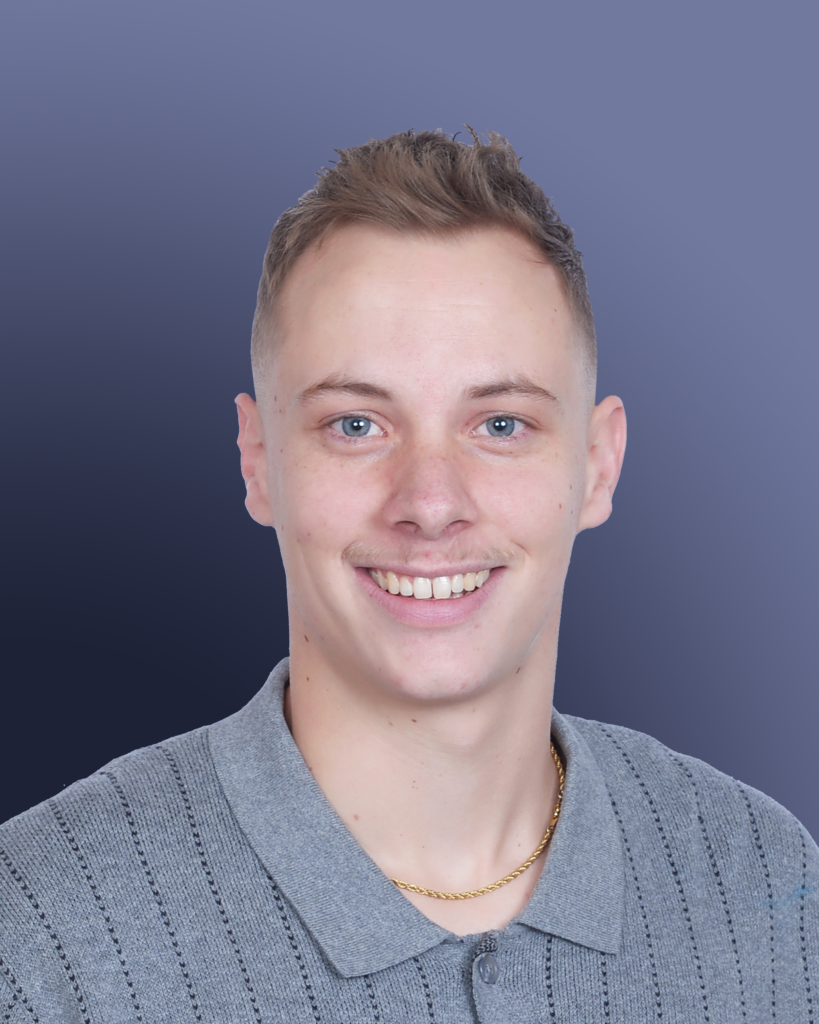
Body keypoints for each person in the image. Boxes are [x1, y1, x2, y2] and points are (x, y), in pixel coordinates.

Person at [1, 128, 815, 1023]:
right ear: (257, 459)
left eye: (500, 425)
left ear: (598, 464)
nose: (430, 504)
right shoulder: (36, 936)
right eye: (355, 425)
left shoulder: (768, 885)